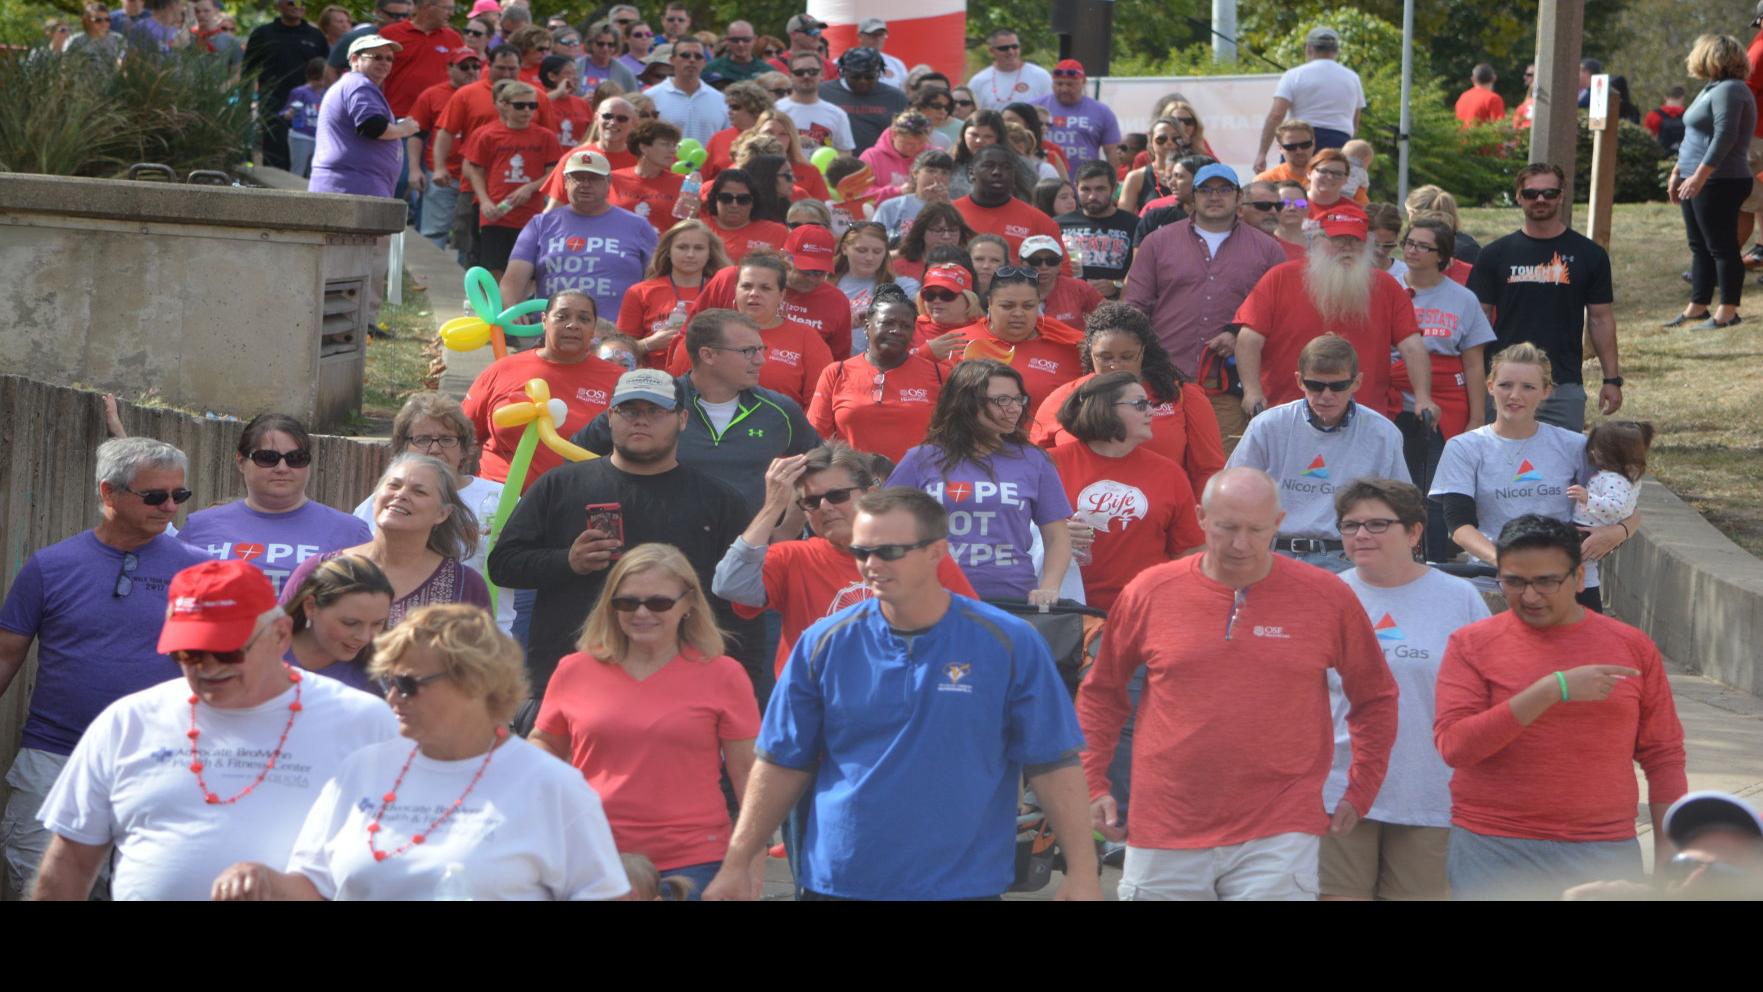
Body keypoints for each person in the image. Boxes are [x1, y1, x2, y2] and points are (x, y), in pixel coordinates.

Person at [701, 487, 1100, 901]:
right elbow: (781, 762)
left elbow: (1052, 761)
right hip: (841, 879)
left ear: (936, 552)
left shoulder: (1009, 642)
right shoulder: (822, 642)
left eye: (889, 551)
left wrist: (1083, 872)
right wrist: (737, 861)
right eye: (862, 552)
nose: (871, 565)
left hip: (964, 884)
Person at [1078, 467, 1396, 900]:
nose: (1241, 544)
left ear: (1279, 524)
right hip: (1166, 823)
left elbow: (1375, 697)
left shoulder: (1327, 597)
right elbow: (1102, 694)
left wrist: (1362, 787)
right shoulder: (1150, 591)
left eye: (1256, 529)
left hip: (1280, 826)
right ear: (1201, 518)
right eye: (1227, 528)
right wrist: (1093, 781)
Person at [31, 560, 396, 900]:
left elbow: (403, 861)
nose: (207, 668)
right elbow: (70, 862)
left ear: (281, 635)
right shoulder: (128, 721)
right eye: (188, 654)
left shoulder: (364, 721)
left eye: (227, 653)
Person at [217, 604, 629, 900]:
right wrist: (261, 880)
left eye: (409, 684)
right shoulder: (363, 769)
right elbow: (312, 885)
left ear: (475, 683)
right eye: (388, 682)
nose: (393, 697)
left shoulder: (551, 785)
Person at [1434, 515, 1687, 900]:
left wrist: (1673, 854)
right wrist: (1552, 689)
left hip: (1602, 847)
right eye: (1514, 581)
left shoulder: (1631, 646)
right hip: (1493, 846)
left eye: (1546, 581)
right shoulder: (1471, 644)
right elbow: (1455, 747)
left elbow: (1664, 757)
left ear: (1580, 577)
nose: (1530, 596)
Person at [0, 439, 209, 897]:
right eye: (155, 496)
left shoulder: (201, 573)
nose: (170, 506)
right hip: (55, 761)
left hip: (160, 766)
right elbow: (5, 655)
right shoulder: (50, 567)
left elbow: (229, 671)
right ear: (109, 493)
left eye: (180, 495)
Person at [491, 368, 761, 705]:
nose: (640, 421)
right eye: (629, 410)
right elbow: (503, 564)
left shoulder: (719, 500)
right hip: (573, 681)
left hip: (681, 686)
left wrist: (740, 691)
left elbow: (742, 603)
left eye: (655, 412)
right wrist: (567, 561)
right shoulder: (560, 484)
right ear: (609, 417)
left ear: (682, 419)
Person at [525, 546, 756, 899]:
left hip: (694, 863)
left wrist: (747, 870)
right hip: (592, 857)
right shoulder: (574, 670)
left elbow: (749, 779)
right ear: (610, 605)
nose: (642, 612)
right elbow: (545, 746)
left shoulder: (723, 674)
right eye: (627, 603)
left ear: (688, 604)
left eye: (659, 603)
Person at [1319, 479, 1490, 901]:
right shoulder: (1324, 598)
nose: (1360, 535)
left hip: (1429, 793)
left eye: (1377, 524)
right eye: (1350, 525)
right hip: (1338, 790)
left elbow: (1491, 693)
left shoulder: (1459, 598)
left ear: (1414, 533)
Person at [714, 441, 977, 687]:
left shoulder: (921, 553)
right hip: (816, 709)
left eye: (837, 495)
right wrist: (773, 506)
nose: (825, 507)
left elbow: (969, 629)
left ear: (871, 494)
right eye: (811, 501)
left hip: (903, 703)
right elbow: (730, 585)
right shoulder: (792, 557)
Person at [1430, 342, 1633, 613]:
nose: (1515, 395)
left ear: (1546, 392)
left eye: (1528, 387)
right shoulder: (1464, 447)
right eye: (1505, 385)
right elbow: (1458, 526)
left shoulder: (1575, 445)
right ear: (1490, 386)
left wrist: (1618, 532)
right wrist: (1508, 564)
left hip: (1570, 584)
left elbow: (1628, 504)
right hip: (1494, 584)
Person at [573, 311, 820, 520]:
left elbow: (821, 468)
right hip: (661, 561)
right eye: (748, 351)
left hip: (749, 561)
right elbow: (576, 459)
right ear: (708, 355)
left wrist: (787, 530)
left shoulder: (781, 411)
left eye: (761, 349)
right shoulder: (649, 401)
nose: (761, 360)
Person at [1123, 164, 1286, 453]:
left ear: (1238, 198)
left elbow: (1280, 314)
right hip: (1163, 379)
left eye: (1223, 190)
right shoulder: (1158, 242)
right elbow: (1134, 306)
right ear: (1192, 197)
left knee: (1218, 469)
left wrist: (1239, 335)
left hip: (1227, 386)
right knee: (1161, 461)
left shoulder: (1268, 249)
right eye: (1205, 190)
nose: (1214, 197)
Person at [887, 360, 1072, 605]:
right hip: (932, 601)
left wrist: (1049, 586)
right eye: (1002, 400)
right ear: (967, 403)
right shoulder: (920, 459)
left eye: (1019, 400)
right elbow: (883, 526)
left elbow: (1057, 536)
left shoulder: (1035, 460)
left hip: (1011, 601)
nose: (1014, 409)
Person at [1234, 207, 1436, 425]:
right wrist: (1252, 391)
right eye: (1338, 239)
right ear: (1319, 240)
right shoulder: (1280, 278)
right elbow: (1249, 340)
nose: (1347, 247)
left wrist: (1423, 398)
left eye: (1355, 241)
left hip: (1363, 416)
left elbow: (1412, 346)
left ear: (1367, 245)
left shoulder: (1387, 287)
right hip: (1286, 415)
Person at [1226, 335, 1409, 573]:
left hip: (1347, 558)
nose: (1326, 395)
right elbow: (1232, 495)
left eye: (1338, 386)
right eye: (1316, 385)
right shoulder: (1267, 426)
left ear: (1357, 383)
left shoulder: (1383, 434)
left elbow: (1401, 507)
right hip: (1272, 554)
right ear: (1300, 381)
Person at [1469, 163, 1623, 431]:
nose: (1540, 199)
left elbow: (1600, 319)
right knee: (1501, 466)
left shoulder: (1590, 255)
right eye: (1531, 194)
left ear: (1561, 196)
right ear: (1518, 197)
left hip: (1561, 382)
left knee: (1561, 468)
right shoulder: (1495, 254)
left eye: (1549, 193)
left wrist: (1612, 379)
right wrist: (1478, 380)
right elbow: (1476, 320)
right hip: (1505, 381)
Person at [1048, 371, 1204, 611]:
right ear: (1104, 408)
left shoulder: (1168, 472)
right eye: (1140, 405)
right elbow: (1011, 532)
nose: (1150, 412)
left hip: (1143, 610)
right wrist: (1049, 535)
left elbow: (1190, 550)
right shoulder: (1048, 466)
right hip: (1064, 611)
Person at [281, 453, 490, 626]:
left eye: (419, 491)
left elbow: (478, 667)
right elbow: (275, 644)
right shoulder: (320, 570)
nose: (401, 495)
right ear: (375, 498)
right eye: (393, 486)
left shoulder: (465, 585)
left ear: (442, 514)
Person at [177, 414, 370, 595]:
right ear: (241, 461)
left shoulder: (351, 532)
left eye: (296, 459)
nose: (282, 468)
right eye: (268, 458)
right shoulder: (198, 527)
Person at [1666, 34, 1757, 330]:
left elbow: (1725, 136)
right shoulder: (1712, 88)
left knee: (1722, 247)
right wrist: (1678, 171)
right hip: (1697, 178)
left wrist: (1699, 176)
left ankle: (1727, 313)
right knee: (1700, 246)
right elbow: (1694, 136)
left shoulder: (1732, 90)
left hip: (1720, 180)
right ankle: (1698, 306)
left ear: (1710, 56)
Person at [504, 150, 657, 322]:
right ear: (565, 182)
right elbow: (512, 282)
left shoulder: (638, 226)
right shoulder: (540, 224)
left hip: (616, 334)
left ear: (609, 182)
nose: (585, 184)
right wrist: (512, 310)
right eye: (577, 177)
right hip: (552, 333)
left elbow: (657, 282)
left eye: (594, 178)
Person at [807, 284, 945, 463]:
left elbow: (952, 437)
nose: (896, 330)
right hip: (855, 486)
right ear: (867, 327)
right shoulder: (836, 373)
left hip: (917, 486)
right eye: (887, 323)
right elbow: (816, 441)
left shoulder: (939, 374)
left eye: (905, 326)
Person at [947, 265, 1084, 412]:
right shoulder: (957, 342)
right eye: (1007, 306)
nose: (1018, 313)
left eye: (1028, 306)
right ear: (990, 304)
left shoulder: (1071, 347)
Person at [462, 79, 560, 276]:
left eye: (532, 106)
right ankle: (495, 307)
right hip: (496, 213)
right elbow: (475, 171)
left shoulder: (545, 136)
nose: (526, 111)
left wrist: (530, 187)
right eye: (520, 105)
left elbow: (554, 172)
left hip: (530, 213)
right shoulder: (488, 134)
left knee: (527, 269)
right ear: (504, 105)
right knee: (493, 268)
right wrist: (484, 202)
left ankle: (519, 307)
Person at [307, 35, 421, 197]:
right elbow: (373, 126)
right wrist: (403, 129)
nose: (384, 62)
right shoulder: (359, 84)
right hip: (352, 186)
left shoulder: (354, 84)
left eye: (389, 59)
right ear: (355, 59)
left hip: (351, 184)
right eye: (377, 57)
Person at [616, 219, 731, 367]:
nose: (690, 254)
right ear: (668, 251)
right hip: (652, 379)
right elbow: (618, 350)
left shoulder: (722, 291)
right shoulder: (640, 292)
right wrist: (649, 344)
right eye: (682, 247)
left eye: (699, 248)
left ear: (710, 253)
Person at [1254, 26, 1364, 169]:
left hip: (1299, 142)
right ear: (1336, 50)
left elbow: (1276, 115)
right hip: (1340, 141)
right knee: (1333, 187)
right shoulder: (1352, 78)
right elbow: (1355, 122)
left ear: (1309, 48)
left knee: (1294, 188)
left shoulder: (1294, 75)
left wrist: (1262, 153)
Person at [281, 554, 393, 693]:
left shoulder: (378, 682)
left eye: (377, 624)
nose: (364, 637)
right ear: (311, 607)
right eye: (350, 623)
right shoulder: (256, 655)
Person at [245, 0, 330, 170]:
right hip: (273, 106)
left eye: (302, 3)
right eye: (291, 2)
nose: (297, 6)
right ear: (279, 5)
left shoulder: (316, 36)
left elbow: (326, 72)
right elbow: (248, 72)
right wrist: (245, 103)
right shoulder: (263, 33)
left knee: (307, 165)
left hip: (309, 108)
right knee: (274, 160)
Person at [406, 50, 478, 250]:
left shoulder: (486, 94)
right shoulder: (432, 94)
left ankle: (467, 281)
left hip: (475, 178)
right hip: (442, 175)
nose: (471, 71)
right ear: (449, 69)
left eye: (475, 66)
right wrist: (414, 169)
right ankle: (427, 280)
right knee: (433, 233)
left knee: (469, 238)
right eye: (464, 67)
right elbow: (416, 134)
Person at [956, 145, 1067, 267]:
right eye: (988, 165)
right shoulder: (951, 214)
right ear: (971, 172)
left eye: (1006, 167)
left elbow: (1063, 269)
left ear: (1014, 175)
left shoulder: (1040, 222)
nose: (997, 172)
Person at [1057, 161, 1138, 299]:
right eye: (1085, 189)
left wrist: (1116, 285)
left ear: (1114, 188)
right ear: (1076, 188)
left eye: (1100, 189)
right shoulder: (1058, 224)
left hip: (1115, 307)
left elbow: (1143, 274)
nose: (1092, 196)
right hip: (1068, 305)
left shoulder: (1134, 225)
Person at [377, 0, 462, 121]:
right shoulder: (390, 34)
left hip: (440, 116)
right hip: (398, 114)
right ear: (427, 6)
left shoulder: (454, 38)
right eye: (447, 9)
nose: (451, 13)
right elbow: (372, 74)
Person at [833, 222, 921, 333]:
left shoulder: (902, 286)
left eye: (877, 252)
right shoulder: (827, 283)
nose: (869, 257)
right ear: (844, 249)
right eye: (862, 250)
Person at [820, 46, 907, 154]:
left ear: (879, 73)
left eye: (869, 77)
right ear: (843, 72)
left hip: (878, 164)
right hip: (835, 164)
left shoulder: (896, 97)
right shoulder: (823, 93)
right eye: (855, 77)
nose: (863, 81)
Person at [1035, 59, 1119, 168]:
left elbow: (1112, 152)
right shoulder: (1034, 107)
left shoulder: (1102, 112)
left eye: (1070, 84)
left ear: (1083, 82)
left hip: (1085, 181)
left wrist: (1112, 181)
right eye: (1059, 84)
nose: (1064, 89)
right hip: (1043, 181)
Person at [1570, 420, 1654, 529]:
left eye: (1597, 449)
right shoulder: (1628, 475)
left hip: (1591, 528)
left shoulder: (1614, 479)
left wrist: (1587, 498)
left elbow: (1615, 507)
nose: (1593, 452)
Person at [609, 118, 688, 233]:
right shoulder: (612, 179)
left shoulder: (683, 183)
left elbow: (687, 227)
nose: (673, 151)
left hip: (662, 249)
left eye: (674, 145)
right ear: (643, 147)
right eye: (665, 144)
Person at [644, 36, 726, 145]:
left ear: (704, 62)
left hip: (708, 162)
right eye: (685, 55)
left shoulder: (720, 99)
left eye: (698, 56)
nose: (692, 60)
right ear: (672, 60)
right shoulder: (651, 97)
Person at [700, 167, 791, 258]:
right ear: (715, 200)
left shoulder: (778, 233)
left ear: (753, 202)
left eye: (743, 199)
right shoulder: (699, 228)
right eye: (726, 198)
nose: (734, 205)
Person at [775, 50, 854, 153]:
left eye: (813, 71)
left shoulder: (837, 114)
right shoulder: (775, 111)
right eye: (799, 72)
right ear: (790, 76)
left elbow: (845, 153)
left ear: (821, 74)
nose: (806, 76)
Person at [1019, 235, 1100, 326]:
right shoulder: (1008, 291)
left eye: (1052, 261)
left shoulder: (1080, 288)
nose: (1044, 267)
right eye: (1035, 261)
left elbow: (1111, 317)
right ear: (1021, 263)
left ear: (1060, 264)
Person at [967, 27, 1051, 111]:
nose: (1011, 52)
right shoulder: (978, 81)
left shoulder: (1041, 76)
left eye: (1015, 47)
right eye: (1004, 48)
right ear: (991, 51)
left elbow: (1050, 110)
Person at [892, 201, 973, 283]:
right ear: (922, 232)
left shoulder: (970, 267)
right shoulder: (898, 268)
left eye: (953, 230)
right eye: (938, 230)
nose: (946, 236)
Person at [859, 110, 935, 191]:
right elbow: (861, 192)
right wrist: (897, 191)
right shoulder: (872, 156)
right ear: (894, 135)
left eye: (921, 143)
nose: (915, 148)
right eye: (908, 143)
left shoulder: (932, 156)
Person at [282, 58, 329, 179]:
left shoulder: (326, 93)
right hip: (300, 136)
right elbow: (286, 112)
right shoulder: (300, 92)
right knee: (297, 170)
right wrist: (289, 113)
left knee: (315, 172)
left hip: (318, 137)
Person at [767, 13, 836, 79]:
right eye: (811, 31)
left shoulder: (829, 66)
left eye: (818, 31)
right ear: (793, 35)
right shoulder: (773, 66)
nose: (817, 36)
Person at [577, 21, 640, 92]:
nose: (605, 48)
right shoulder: (576, 67)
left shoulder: (626, 73)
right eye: (600, 44)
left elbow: (634, 99)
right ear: (590, 43)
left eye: (610, 44)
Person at [854, 17, 909, 89]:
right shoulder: (842, 62)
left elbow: (905, 93)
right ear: (860, 36)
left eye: (881, 34)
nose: (878, 39)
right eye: (873, 34)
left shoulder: (897, 64)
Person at [1645, 86, 1690, 155]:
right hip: (1684, 156)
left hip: (1661, 157)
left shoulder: (1653, 115)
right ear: (1682, 98)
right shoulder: (1689, 115)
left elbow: (1648, 138)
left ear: (1665, 97)